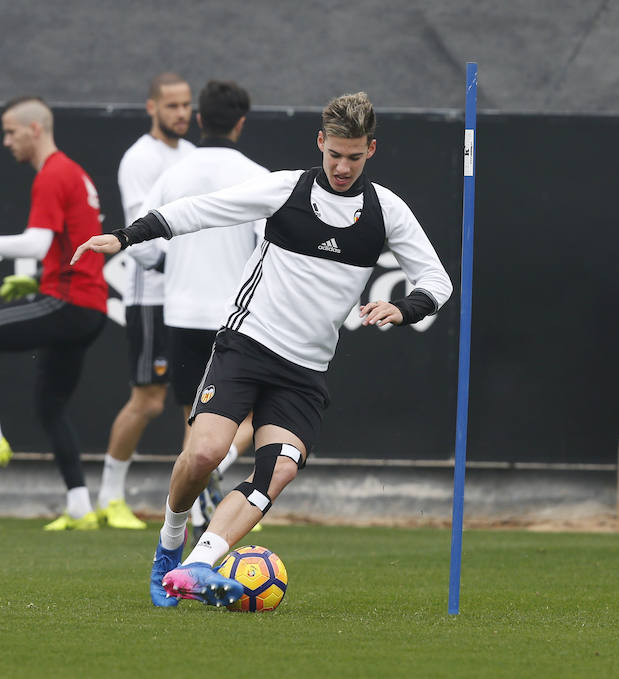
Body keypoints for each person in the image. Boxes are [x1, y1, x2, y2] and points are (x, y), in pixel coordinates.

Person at [71, 91, 453, 606]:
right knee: (204, 452)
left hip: (306, 369)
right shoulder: (285, 190)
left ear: (371, 151)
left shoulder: (387, 211)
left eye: (354, 156)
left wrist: (405, 308)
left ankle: (198, 566)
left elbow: (437, 280)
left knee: (281, 468)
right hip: (247, 344)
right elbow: (198, 212)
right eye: (335, 153)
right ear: (320, 142)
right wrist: (124, 237)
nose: (342, 166)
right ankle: (170, 540)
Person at [0, 96, 108, 531]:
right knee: (50, 406)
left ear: (35, 129)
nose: (6, 141)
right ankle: (81, 506)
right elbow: (69, 244)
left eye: (10, 132)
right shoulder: (74, 172)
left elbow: (35, 243)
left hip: (70, 302)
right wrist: (40, 281)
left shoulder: (53, 174)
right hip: (87, 305)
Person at [130, 80, 267, 543]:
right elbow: (271, 248)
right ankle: (215, 472)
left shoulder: (174, 174)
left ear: (201, 119)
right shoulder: (257, 175)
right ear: (242, 122)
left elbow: (142, 247)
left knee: (197, 422)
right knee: (246, 421)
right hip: (235, 318)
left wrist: (175, 264)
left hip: (183, 313)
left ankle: (189, 509)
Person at [93, 73, 195, 530]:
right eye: (171, 105)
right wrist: (180, 263)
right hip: (152, 297)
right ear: (151, 107)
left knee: (200, 404)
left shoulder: (195, 156)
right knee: (149, 401)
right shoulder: (139, 158)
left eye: (186, 105)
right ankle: (109, 497)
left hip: (195, 300)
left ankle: (201, 500)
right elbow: (142, 232)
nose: (181, 113)